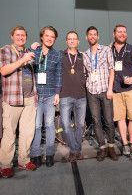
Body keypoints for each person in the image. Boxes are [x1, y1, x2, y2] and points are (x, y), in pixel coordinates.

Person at [0, 25, 37, 178]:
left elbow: (30, 74)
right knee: (9, 133)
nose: (20, 37)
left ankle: (23, 160)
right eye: (18, 35)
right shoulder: (5, 50)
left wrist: (34, 92)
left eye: (23, 35)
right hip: (12, 99)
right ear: (12, 36)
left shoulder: (28, 52)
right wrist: (22, 60)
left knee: (27, 133)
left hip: (29, 99)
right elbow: (3, 70)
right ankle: (6, 165)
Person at [84, 26, 118, 161]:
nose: (92, 36)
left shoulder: (106, 50)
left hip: (105, 90)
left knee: (109, 121)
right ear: (87, 37)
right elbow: (86, 74)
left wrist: (110, 89)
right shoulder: (85, 54)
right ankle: (102, 148)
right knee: (96, 121)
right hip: (92, 92)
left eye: (94, 34)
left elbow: (112, 70)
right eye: (90, 35)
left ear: (97, 37)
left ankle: (111, 147)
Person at [31, 26, 63, 167]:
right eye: (47, 35)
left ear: (54, 39)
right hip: (36, 96)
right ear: (42, 37)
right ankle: (36, 154)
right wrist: (31, 49)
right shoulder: (34, 51)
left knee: (50, 125)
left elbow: (59, 76)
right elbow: (28, 70)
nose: (49, 38)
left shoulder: (57, 55)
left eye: (52, 36)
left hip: (50, 95)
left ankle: (49, 154)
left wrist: (57, 93)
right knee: (36, 126)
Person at [111, 24, 132, 157]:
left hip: (131, 89)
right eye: (119, 32)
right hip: (115, 90)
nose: (122, 34)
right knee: (120, 118)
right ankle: (124, 144)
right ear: (114, 34)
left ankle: (131, 143)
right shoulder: (108, 50)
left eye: (124, 32)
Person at [59, 31, 86, 163]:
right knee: (65, 123)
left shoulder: (83, 56)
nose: (72, 41)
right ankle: (76, 149)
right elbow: (47, 53)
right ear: (66, 41)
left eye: (74, 39)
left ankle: (75, 151)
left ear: (78, 41)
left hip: (81, 96)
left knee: (80, 125)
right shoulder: (60, 55)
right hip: (65, 95)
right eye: (69, 39)